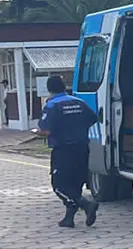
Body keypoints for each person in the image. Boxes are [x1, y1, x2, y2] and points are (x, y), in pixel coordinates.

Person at [36, 75, 100, 229]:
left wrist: (36, 132)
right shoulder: (79, 102)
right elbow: (93, 118)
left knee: (60, 185)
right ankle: (68, 218)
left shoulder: (52, 105)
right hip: (82, 147)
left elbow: (45, 130)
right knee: (75, 183)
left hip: (63, 150)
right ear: (64, 87)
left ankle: (86, 204)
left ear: (49, 89)